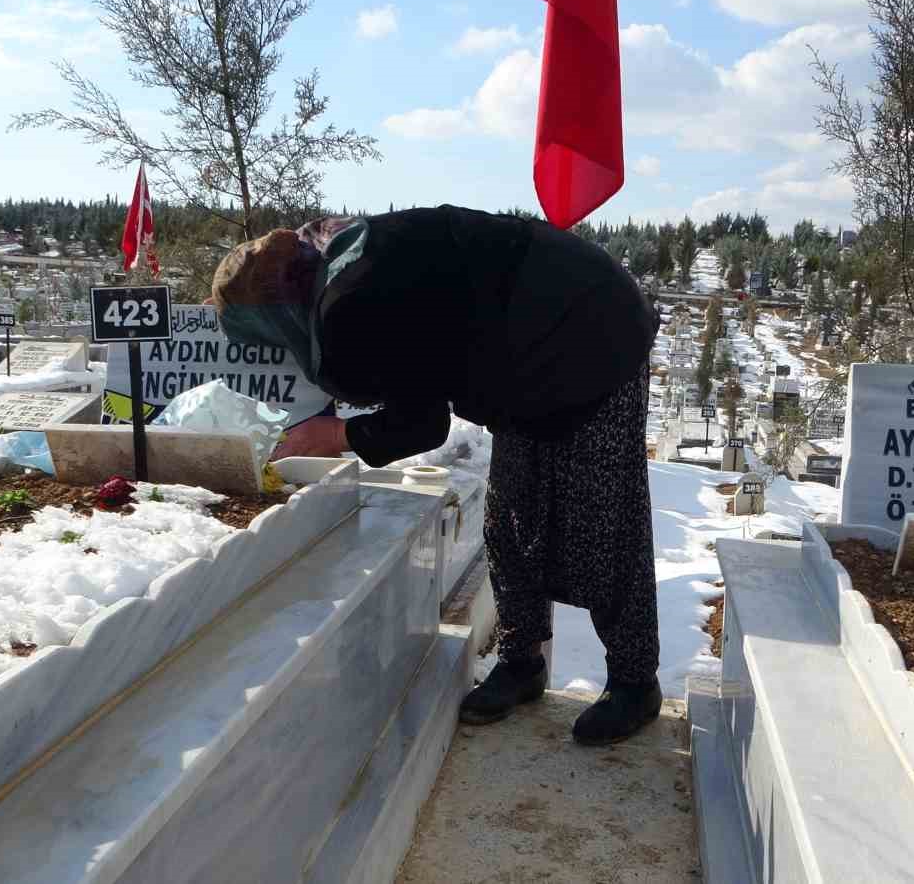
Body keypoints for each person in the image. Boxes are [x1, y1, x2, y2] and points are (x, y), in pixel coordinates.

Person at [211, 205, 662, 745]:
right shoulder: (325, 262)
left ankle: (636, 683)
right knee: (511, 518)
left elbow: (421, 422)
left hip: (589, 327)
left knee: (602, 518)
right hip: (520, 344)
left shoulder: (358, 293)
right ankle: (522, 663)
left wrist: (333, 438)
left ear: (279, 310)